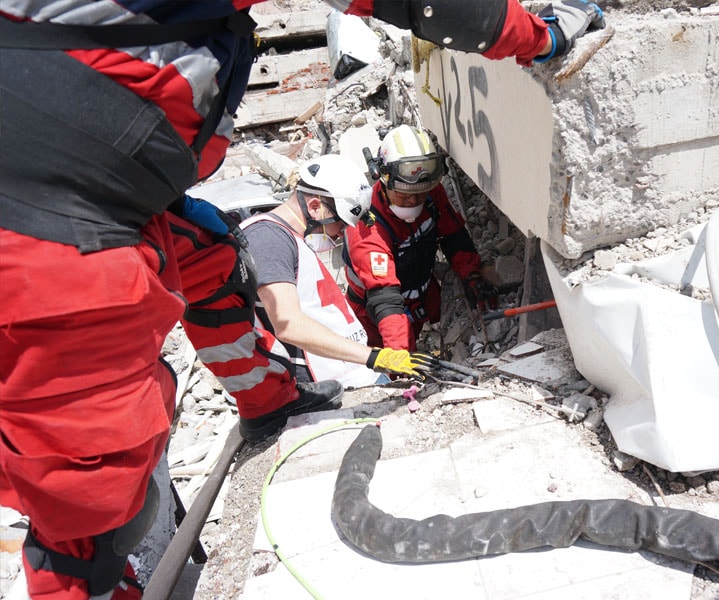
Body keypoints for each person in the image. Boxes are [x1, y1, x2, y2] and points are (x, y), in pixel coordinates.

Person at [0, 1, 605, 598]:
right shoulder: (311, 235)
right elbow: (335, 306)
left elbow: (454, 242)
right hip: (47, 220)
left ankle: (268, 401)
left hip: (116, 186)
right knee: (93, 500)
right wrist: (384, 361)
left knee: (214, 261)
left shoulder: (411, 206)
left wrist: (473, 287)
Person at [241, 154, 437, 389]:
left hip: (342, 377)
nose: (340, 233)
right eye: (341, 223)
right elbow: (288, 323)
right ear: (315, 207)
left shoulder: (290, 239)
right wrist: (374, 357)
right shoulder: (268, 238)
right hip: (313, 386)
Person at [343, 125, 499, 352]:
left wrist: (471, 275)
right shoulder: (367, 225)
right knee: (390, 369)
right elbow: (384, 297)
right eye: (404, 195)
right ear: (384, 180)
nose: (413, 201)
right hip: (374, 317)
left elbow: (453, 236)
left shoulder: (432, 195)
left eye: (420, 193)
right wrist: (399, 354)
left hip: (418, 299)